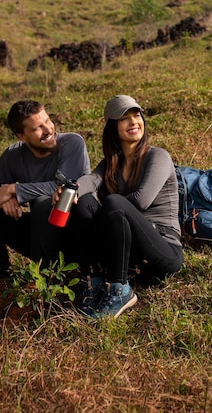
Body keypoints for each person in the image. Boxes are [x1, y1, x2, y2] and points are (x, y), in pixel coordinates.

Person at [62, 94, 183, 319]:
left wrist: (106, 210)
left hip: (163, 250)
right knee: (84, 202)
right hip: (131, 255)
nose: (133, 122)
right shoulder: (110, 164)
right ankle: (94, 284)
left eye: (136, 115)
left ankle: (120, 290)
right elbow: (91, 181)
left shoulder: (158, 156)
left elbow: (141, 200)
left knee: (113, 202)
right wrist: (70, 191)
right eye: (124, 118)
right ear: (112, 127)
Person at [0, 99, 90, 317]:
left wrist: (16, 190)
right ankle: (2, 282)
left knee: (45, 203)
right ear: (22, 137)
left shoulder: (72, 143)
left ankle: (40, 282)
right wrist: (5, 198)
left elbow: (67, 187)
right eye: (38, 128)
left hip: (74, 235)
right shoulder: (13, 155)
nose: (48, 129)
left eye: (48, 121)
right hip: (40, 235)